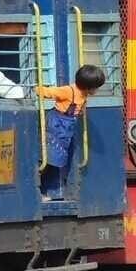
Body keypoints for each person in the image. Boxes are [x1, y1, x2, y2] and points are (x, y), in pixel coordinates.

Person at [36, 64, 106, 200]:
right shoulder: (68, 91)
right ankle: (37, 191)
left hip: (65, 130)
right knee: (46, 159)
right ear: (88, 86)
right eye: (96, 87)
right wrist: (37, 90)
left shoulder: (84, 95)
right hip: (56, 126)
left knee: (56, 161)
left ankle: (44, 190)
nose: (96, 90)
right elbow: (49, 92)